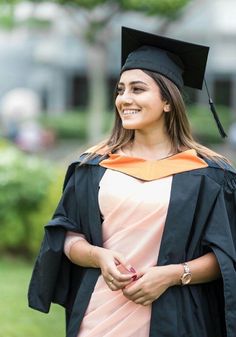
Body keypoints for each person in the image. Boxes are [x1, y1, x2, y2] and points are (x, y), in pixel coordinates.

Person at [28, 27, 236, 337]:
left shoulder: (210, 175)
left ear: (168, 101)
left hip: (177, 319)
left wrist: (172, 275)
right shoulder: (94, 166)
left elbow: (227, 255)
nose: (125, 99)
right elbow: (67, 236)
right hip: (100, 315)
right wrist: (98, 256)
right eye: (121, 90)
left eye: (137, 89)